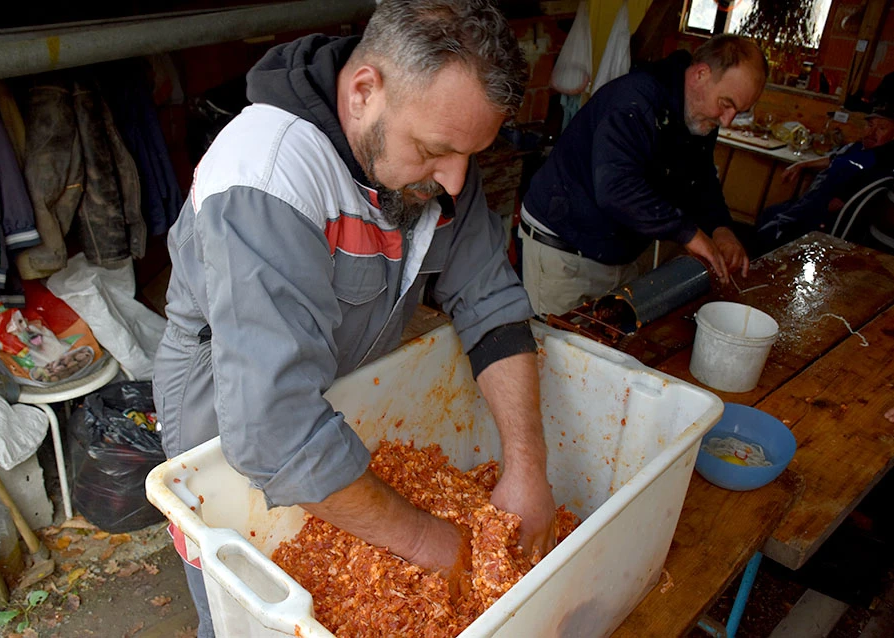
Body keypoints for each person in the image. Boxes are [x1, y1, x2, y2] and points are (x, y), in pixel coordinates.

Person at [151, 1, 556, 635]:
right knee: (243, 602)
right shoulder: (266, 173)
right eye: (436, 150)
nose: (455, 180)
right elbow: (273, 427)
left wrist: (527, 468)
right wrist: (429, 543)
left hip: (335, 392)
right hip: (221, 410)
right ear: (365, 91)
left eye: (471, 154)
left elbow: (490, 300)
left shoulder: (438, 153)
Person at [518, 35, 768, 317]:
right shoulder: (635, 100)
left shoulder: (700, 115)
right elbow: (616, 187)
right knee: (558, 352)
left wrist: (721, 228)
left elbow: (700, 178)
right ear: (701, 74)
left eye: (738, 111)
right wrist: (687, 232)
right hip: (564, 249)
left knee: (609, 346)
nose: (727, 120)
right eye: (726, 104)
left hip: (617, 252)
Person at [755, 102, 894, 252]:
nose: (871, 133)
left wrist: (822, 211)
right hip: (809, 200)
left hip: (823, 214)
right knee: (768, 214)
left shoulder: (882, 162)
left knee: (771, 232)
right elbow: (831, 159)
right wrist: (801, 165)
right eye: (870, 125)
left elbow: (848, 201)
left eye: (881, 128)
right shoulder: (854, 147)